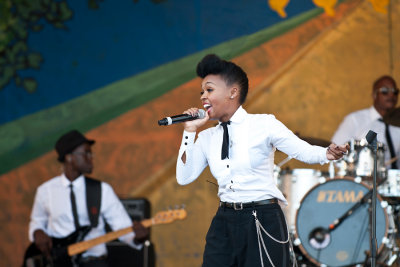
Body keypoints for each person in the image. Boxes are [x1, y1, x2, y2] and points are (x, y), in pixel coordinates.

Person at [175, 54, 349, 267]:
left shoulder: (263, 124)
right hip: (224, 220)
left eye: (209, 90)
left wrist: (326, 154)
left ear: (233, 92)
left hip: (262, 218)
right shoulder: (207, 137)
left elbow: (302, 150)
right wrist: (189, 132)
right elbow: (184, 177)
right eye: (202, 91)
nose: (203, 96)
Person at [27, 130, 149, 267]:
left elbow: (122, 226)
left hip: (94, 262)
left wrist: (137, 238)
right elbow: (36, 222)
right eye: (86, 153)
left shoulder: (102, 189)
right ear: (69, 157)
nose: (91, 157)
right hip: (58, 262)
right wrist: (37, 232)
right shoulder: (46, 191)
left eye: (91, 153)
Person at [332, 75, 400, 169]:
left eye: (395, 92)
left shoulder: (397, 124)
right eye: (385, 91)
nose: (391, 95)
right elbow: (335, 152)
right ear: (374, 95)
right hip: (363, 180)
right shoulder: (354, 119)